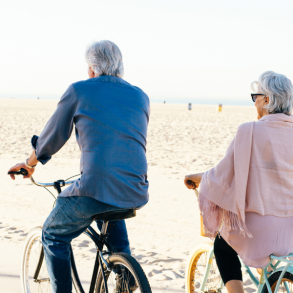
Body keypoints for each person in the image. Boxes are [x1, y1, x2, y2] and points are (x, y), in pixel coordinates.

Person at [8, 40, 150, 293]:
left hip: (95, 185)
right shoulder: (140, 95)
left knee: (53, 234)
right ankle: (125, 276)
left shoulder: (79, 90)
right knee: (109, 205)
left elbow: (52, 137)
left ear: (91, 69)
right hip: (136, 189)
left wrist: (31, 163)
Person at [184, 71, 293, 293]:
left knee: (223, 247)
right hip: (291, 233)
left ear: (267, 100)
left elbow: (221, 176)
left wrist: (199, 178)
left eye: (256, 97)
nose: (255, 104)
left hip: (258, 233)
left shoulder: (249, 131)